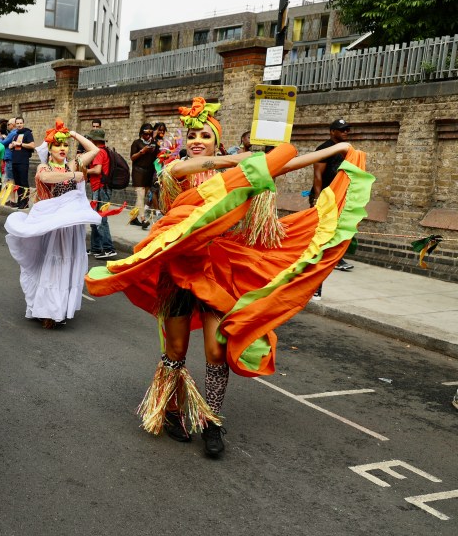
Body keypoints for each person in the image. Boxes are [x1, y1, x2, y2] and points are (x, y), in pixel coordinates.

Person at [86, 97, 372, 457]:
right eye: (192, 133)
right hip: (176, 271)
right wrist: (237, 160)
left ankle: (212, 419)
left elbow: (284, 164)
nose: (197, 139)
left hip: (218, 271)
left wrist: (337, 150)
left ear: (216, 139)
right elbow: (190, 169)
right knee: (174, 350)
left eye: (205, 134)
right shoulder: (174, 169)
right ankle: (172, 410)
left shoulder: (236, 176)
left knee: (215, 349)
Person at [4, 120, 101, 329]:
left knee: (68, 265)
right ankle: (46, 310)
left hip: (71, 227)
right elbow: (46, 177)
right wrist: (74, 175)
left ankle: (59, 308)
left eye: (65, 145)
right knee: (52, 265)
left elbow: (94, 150)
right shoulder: (45, 166)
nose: (63, 149)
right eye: (58, 145)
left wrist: (73, 134)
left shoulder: (73, 163)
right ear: (50, 148)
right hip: (52, 225)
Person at [314, 119, 354, 273]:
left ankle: (333, 257)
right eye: (342, 129)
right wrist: (317, 198)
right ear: (332, 132)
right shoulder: (324, 148)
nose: (345, 132)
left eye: (347, 130)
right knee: (324, 227)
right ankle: (330, 258)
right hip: (326, 195)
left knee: (336, 227)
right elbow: (318, 174)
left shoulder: (346, 150)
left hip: (339, 195)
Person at [85, 128, 116, 259]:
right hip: (101, 188)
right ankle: (96, 248)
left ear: (94, 141)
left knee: (101, 219)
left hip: (100, 188)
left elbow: (97, 170)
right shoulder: (106, 151)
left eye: (90, 139)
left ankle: (109, 248)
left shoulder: (98, 152)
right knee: (95, 219)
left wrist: (84, 170)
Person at [2, 117, 35, 208]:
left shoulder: (27, 133)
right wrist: (11, 146)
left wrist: (20, 144)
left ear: (23, 123)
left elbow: (32, 145)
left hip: (23, 161)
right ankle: (20, 202)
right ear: (15, 124)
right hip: (15, 161)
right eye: (17, 123)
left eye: (21, 123)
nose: (19, 125)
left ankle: (25, 203)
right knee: (18, 183)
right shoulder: (16, 134)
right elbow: (13, 146)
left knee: (23, 183)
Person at [130, 123, 158, 229]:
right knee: (140, 195)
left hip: (149, 172)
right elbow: (132, 157)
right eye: (146, 134)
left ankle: (133, 218)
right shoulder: (136, 143)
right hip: (138, 171)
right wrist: (142, 151)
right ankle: (143, 219)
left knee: (141, 196)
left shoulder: (154, 143)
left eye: (150, 133)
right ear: (142, 133)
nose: (148, 136)